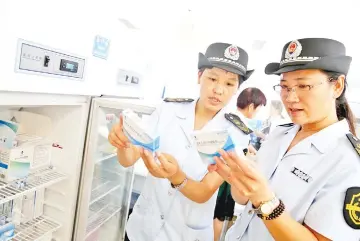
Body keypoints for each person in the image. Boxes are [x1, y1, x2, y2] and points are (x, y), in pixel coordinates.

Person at [209, 38, 360, 241]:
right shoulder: (280, 134)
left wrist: (266, 201)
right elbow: (243, 199)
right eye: (284, 86)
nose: (290, 97)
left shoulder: (349, 163)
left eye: (304, 86)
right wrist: (238, 179)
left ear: (337, 86)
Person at [108, 42, 255, 241]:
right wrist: (123, 143)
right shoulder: (168, 109)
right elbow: (128, 159)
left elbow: (204, 191)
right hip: (142, 229)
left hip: (185, 234)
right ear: (199, 76)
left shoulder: (236, 132)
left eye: (229, 84)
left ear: (237, 88)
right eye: (212, 78)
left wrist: (176, 176)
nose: (219, 90)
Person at [213, 87, 267, 241]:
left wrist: (248, 147)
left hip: (216, 170)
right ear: (251, 107)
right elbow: (235, 153)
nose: (257, 113)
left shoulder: (227, 117)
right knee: (222, 214)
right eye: (258, 109)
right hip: (227, 175)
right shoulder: (241, 126)